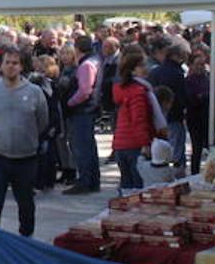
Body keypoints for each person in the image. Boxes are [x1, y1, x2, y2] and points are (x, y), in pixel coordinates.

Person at [0, 49, 48, 237]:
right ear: (1, 65)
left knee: (26, 204)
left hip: (26, 158)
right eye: (7, 62)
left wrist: (28, 138)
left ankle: (26, 239)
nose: (11, 66)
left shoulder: (35, 92)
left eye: (15, 63)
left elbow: (42, 121)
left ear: (21, 66)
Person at [112, 51, 157, 193]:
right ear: (132, 69)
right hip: (134, 144)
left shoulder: (124, 89)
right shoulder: (138, 91)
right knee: (137, 190)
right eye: (141, 65)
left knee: (126, 187)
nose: (146, 68)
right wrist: (145, 143)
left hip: (121, 143)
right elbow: (139, 120)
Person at [63, 35, 102, 195]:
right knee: (88, 147)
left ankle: (85, 181)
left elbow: (85, 91)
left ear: (77, 48)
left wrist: (69, 103)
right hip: (89, 109)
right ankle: (92, 180)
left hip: (82, 110)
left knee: (82, 147)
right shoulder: (96, 60)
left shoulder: (86, 65)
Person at [149, 40, 188, 176]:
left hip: (156, 119)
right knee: (176, 152)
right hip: (174, 117)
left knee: (159, 153)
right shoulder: (177, 73)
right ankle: (177, 179)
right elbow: (183, 97)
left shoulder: (155, 72)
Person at [184, 51, 212, 175]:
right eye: (198, 64)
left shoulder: (208, 78)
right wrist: (205, 96)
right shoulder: (188, 81)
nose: (201, 67)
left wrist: (203, 96)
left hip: (209, 117)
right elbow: (192, 99)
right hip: (194, 118)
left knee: (210, 146)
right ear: (191, 65)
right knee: (197, 148)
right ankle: (195, 173)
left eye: (203, 64)